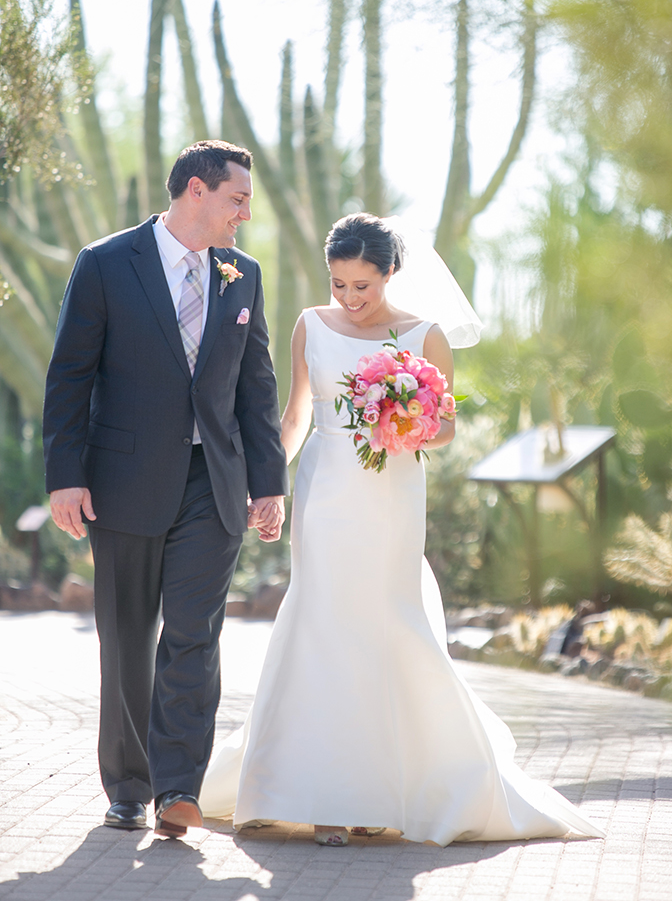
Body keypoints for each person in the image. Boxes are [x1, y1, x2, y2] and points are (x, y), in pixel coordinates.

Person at [199, 212, 605, 847]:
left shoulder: (426, 335)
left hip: (391, 493)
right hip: (328, 487)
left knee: (389, 621)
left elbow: (443, 426)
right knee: (324, 622)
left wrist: (409, 420)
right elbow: (298, 412)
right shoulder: (311, 324)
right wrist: (269, 485)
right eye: (339, 284)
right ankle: (320, 795)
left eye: (363, 285)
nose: (350, 299)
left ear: (390, 273)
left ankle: (383, 793)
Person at [43, 140, 289, 838]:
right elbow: (70, 377)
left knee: (194, 636)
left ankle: (178, 787)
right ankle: (128, 784)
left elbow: (256, 386)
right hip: (120, 482)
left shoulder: (243, 276)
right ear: (196, 192)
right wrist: (66, 474)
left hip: (212, 483)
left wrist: (268, 483)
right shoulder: (104, 264)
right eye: (237, 199)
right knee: (126, 638)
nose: (244, 214)